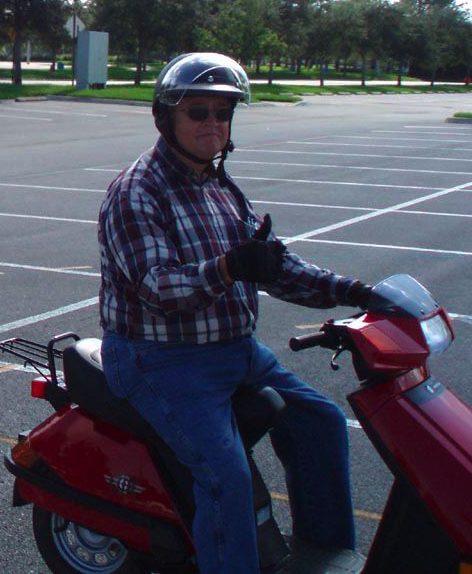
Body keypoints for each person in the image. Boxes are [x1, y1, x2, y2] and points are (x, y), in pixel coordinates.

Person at [96, 52, 372, 574]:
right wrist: (227, 268)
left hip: (236, 352)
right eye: (197, 111)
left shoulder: (219, 187)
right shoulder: (137, 192)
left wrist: (358, 292)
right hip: (161, 359)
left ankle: (324, 555)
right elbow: (158, 288)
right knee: (225, 475)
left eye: (223, 113)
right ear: (165, 117)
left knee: (322, 422)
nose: (213, 123)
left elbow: (277, 267)